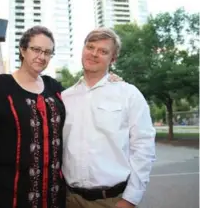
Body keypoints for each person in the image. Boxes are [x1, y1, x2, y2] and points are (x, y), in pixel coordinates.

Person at [0, 26, 122, 208]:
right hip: (10, 195)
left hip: (53, 197)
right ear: (22, 49)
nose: (41, 57)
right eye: (36, 49)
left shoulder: (54, 89)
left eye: (47, 52)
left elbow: (83, 97)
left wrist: (108, 79)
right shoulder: (2, 87)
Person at [62, 28, 156, 208]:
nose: (94, 54)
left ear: (112, 59)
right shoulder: (65, 98)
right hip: (69, 199)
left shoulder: (129, 94)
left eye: (103, 51)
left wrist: (130, 199)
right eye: (90, 47)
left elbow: (144, 147)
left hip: (112, 200)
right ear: (83, 50)